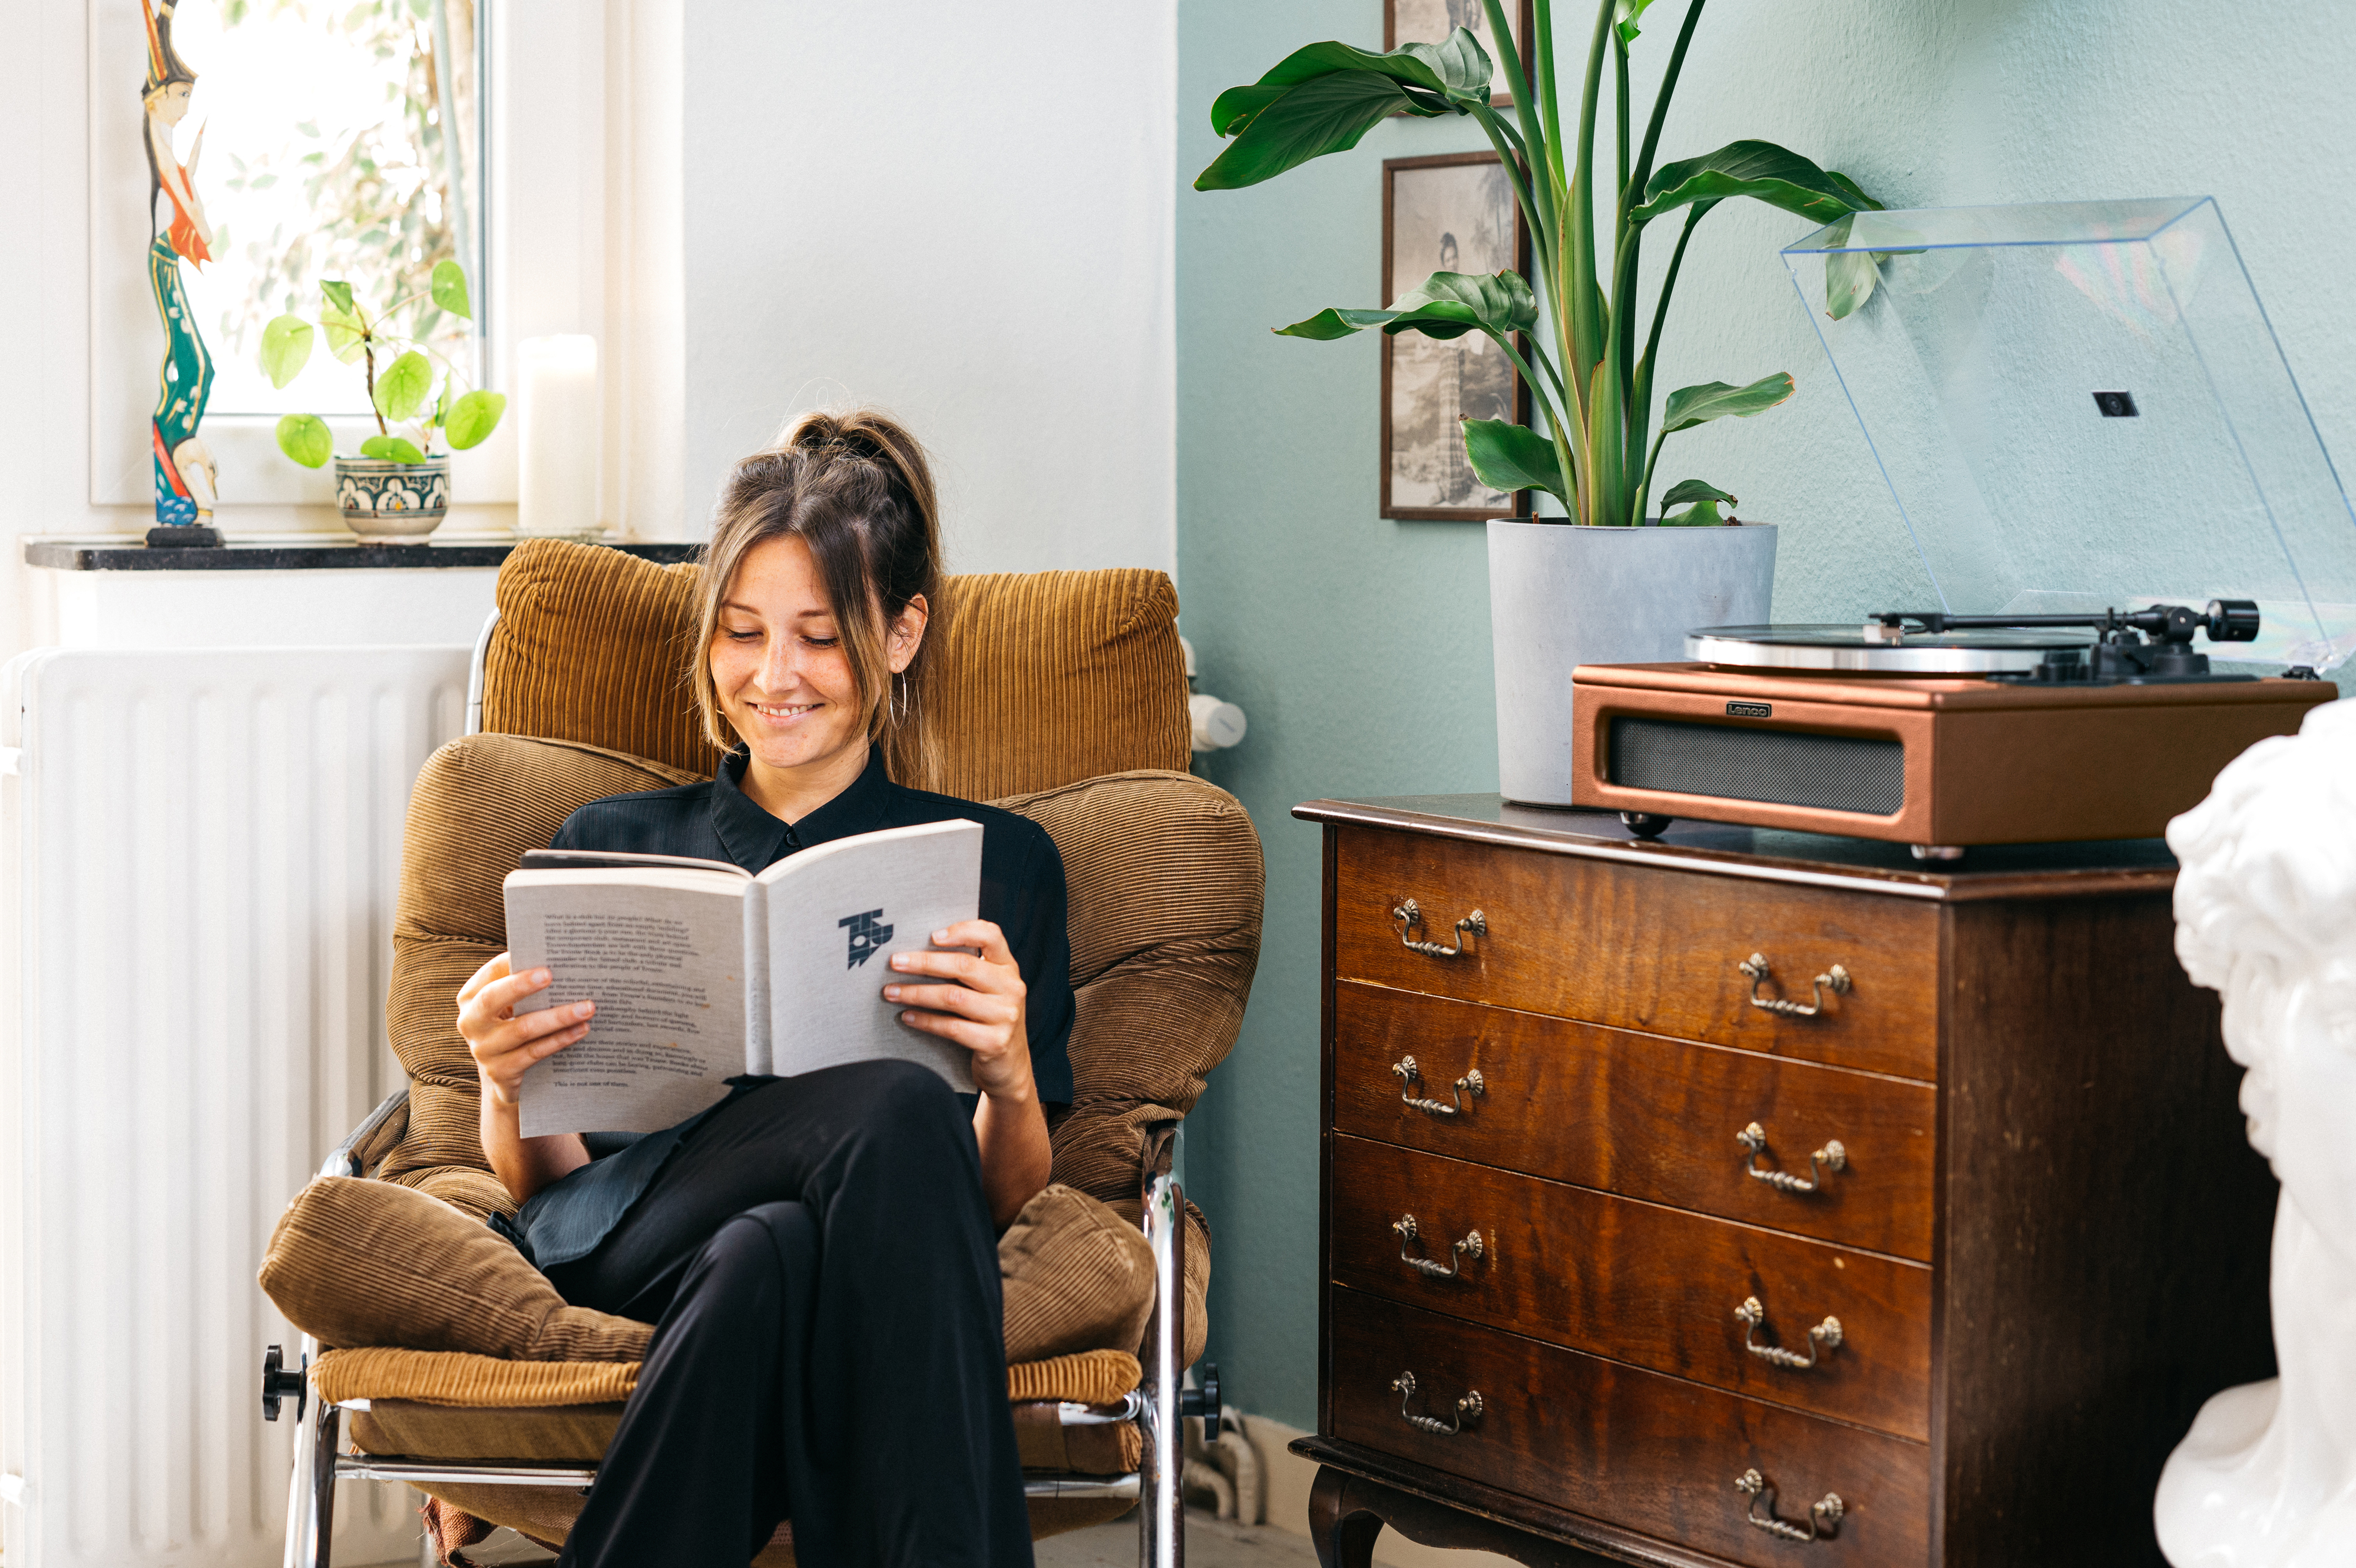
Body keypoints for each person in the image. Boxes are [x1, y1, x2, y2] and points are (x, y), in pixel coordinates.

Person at [454, 410, 1071, 1568]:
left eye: (818, 638)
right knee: (893, 1097)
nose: (772, 676)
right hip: (627, 1235)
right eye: (740, 632)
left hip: (818, 1256)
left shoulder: (1000, 866)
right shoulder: (607, 845)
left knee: (768, 1252)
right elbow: (555, 1194)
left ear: (901, 633)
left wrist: (1008, 1075)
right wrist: (503, 1081)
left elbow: (994, 1200)